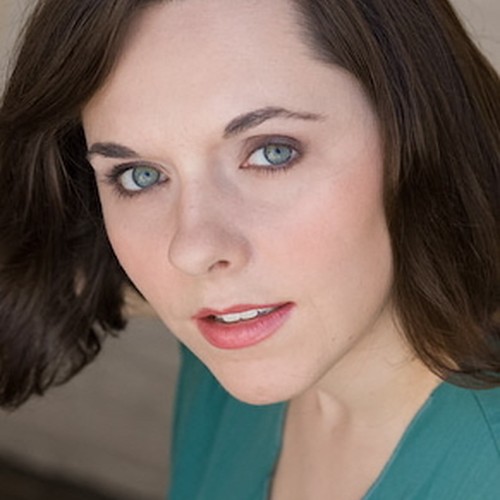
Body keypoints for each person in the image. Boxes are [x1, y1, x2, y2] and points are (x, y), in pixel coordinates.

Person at [0, 0, 499, 498]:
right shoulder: (237, 340)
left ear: (416, 131)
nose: (193, 251)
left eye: (272, 152)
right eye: (140, 176)